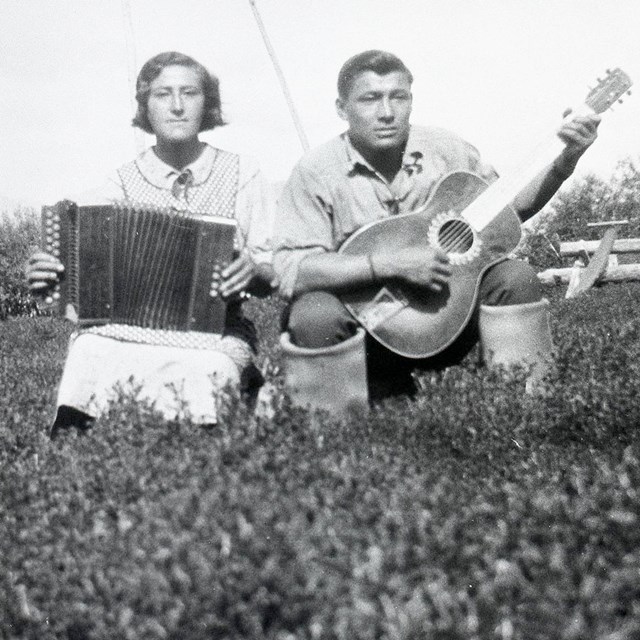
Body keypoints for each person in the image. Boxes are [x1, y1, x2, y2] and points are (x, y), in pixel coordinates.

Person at [273, 50, 600, 415]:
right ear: (341, 107)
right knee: (314, 314)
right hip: (362, 333)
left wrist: (566, 159)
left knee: (515, 276)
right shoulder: (316, 171)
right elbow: (294, 270)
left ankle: (527, 413)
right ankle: (332, 436)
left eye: (399, 97)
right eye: (369, 99)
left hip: (445, 322)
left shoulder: (446, 150)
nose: (386, 112)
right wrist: (388, 265)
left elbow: (510, 208)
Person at [27, 51, 275, 432]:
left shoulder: (242, 171)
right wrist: (49, 271)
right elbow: (79, 260)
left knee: (212, 368)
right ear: (145, 106)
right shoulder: (121, 182)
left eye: (189, 93)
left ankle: (219, 418)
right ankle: (80, 449)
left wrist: (255, 270)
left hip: (215, 329)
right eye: (162, 95)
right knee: (89, 350)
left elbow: (271, 271)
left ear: (207, 103)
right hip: (131, 327)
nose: (177, 106)